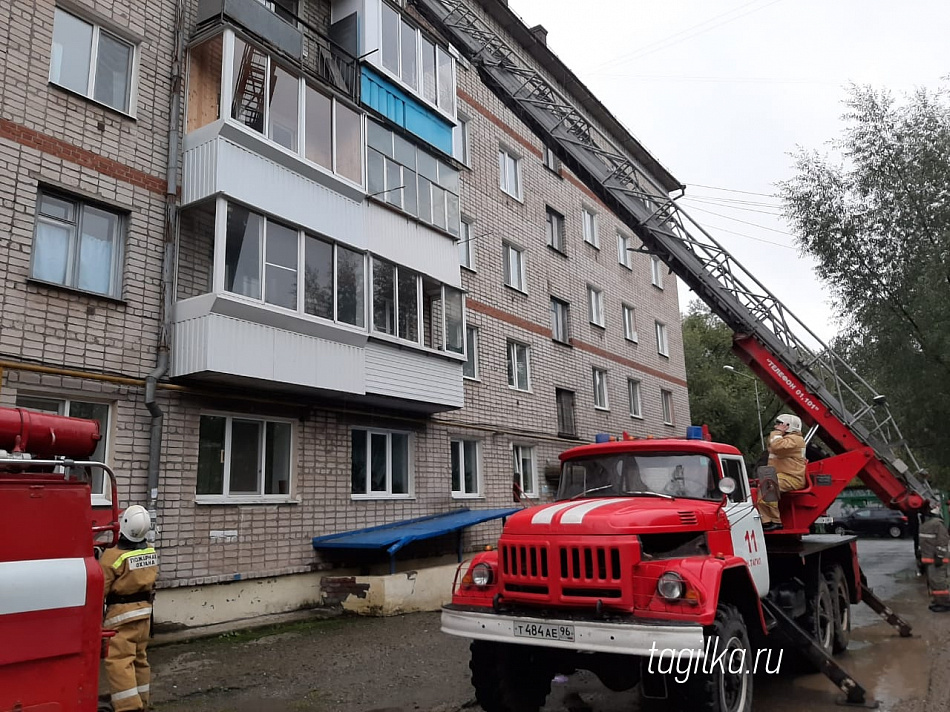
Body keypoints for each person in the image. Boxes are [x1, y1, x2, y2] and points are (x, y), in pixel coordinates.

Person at [100, 505, 158, 712]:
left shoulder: (111, 557)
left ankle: (128, 707)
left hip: (121, 618)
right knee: (140, 658)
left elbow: (101, 589)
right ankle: (142, 701)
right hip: (144, 615)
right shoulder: (151, 550)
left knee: (119, 661)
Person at [756, 414, 808, 531]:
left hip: (792, 478)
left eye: (780, 424)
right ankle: (766, 521)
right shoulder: (787, 440)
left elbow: (776, 446)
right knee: (765, 487)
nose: (776, 426)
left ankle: (776, 521)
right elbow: (773, 447)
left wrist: (777, 433)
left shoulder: (795, 440)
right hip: (783, 476)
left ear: (788, 426)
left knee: (770, 487)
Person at [919, 505, 950, 612]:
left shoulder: (936, 524)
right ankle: (939, 601)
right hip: (931, 559)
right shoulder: (928, 524)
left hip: (937, 559)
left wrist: (940, 556)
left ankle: (945, 603)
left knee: (938, 582)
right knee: (934, 582)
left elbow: (943, 541)